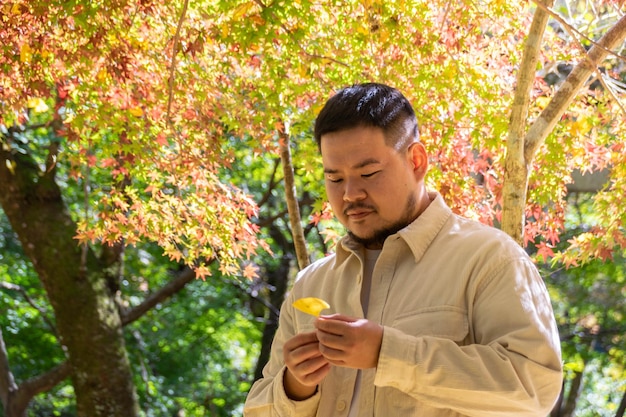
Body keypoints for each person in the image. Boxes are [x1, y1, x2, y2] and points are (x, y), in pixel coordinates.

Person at [244, 82, 562, 416]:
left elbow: (534, 390)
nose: (350, 193)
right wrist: (296, 387)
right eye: (335, 179)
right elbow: (258, 410)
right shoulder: (311, 284)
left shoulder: (488, 259)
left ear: (417, 160)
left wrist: (388, 353)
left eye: (368, 172)